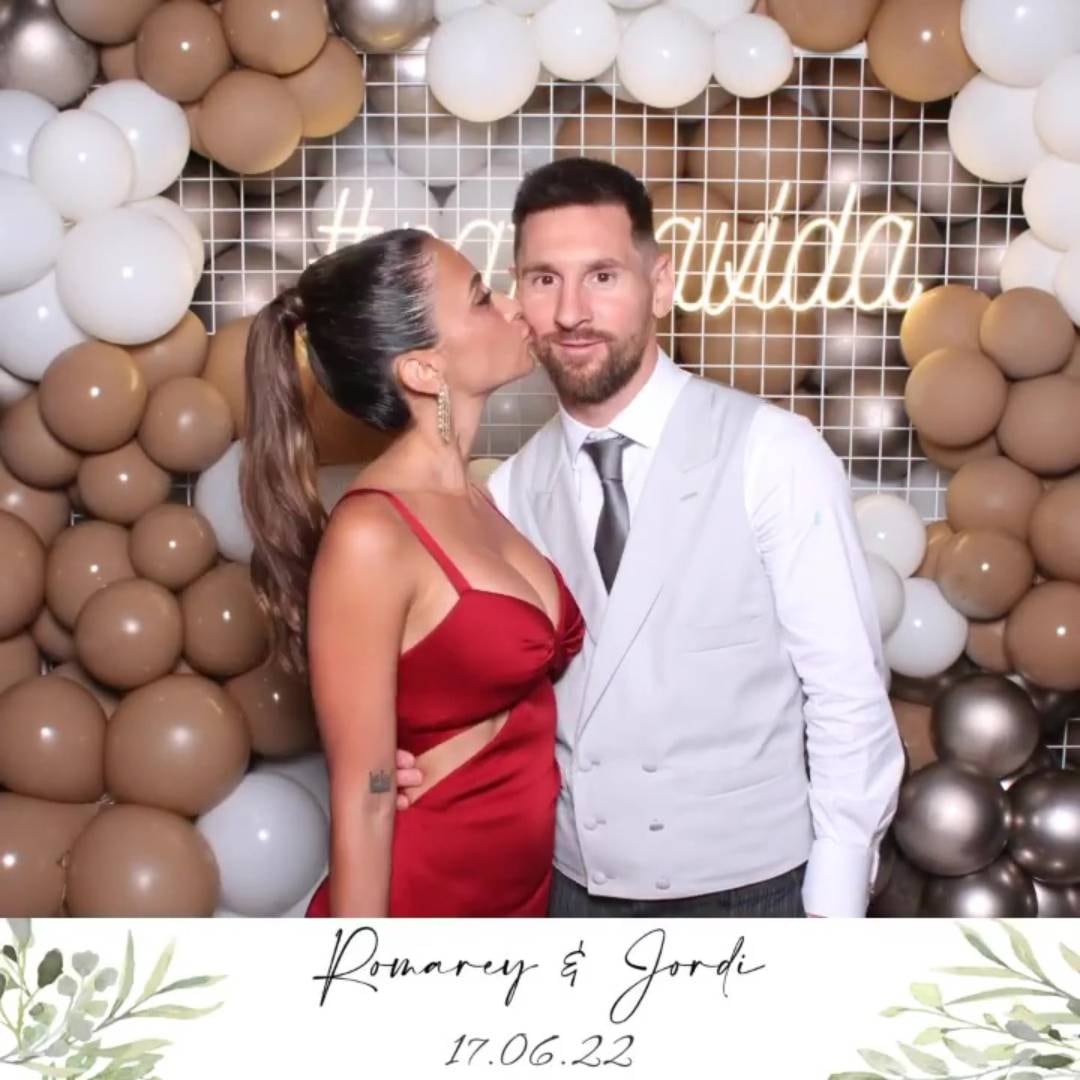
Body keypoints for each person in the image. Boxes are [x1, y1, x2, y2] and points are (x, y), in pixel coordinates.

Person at [396, 157, 906, 917]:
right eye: (544, 279)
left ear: (659, 284)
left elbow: (847, 693)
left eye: (602, 276)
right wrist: (424, 761)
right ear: (519, 296)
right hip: (572, 893)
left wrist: (832, 907)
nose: (572, 312)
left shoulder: (774, 452)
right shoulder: (504, 495)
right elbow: (509, 704)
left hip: (760, 896)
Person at [240, 228, 585, 917]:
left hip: (523, 892)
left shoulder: (482, 498)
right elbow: (364, 799)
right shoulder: (372, 534)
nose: (517, 305)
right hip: (429, 893)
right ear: (424, 371)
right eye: (483, 299)